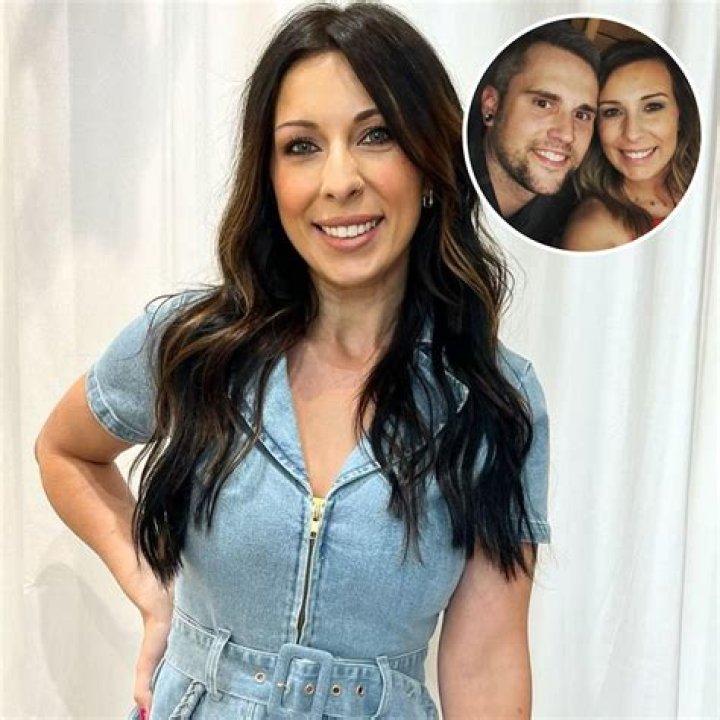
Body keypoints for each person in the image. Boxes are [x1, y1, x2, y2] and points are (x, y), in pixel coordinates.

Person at [35, 3, 550, 718]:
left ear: (430, 162)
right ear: (269, 176)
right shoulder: (191, 345)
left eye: (376, 135)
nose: (339, 181)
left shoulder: (492, 399)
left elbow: (487, 665)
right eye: (302, 146)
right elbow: (65, 451)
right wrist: (153, 594)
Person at [467, 22, 600, 247]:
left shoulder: (575, 215)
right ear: (491, 105)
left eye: (582, 115)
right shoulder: (437, 200)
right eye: (543, 104)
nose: (567, 134)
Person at [562, 41, 700, 251]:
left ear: (680, 116)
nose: (632, 134)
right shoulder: (593, 230)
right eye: (612, 112)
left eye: (652, 107)